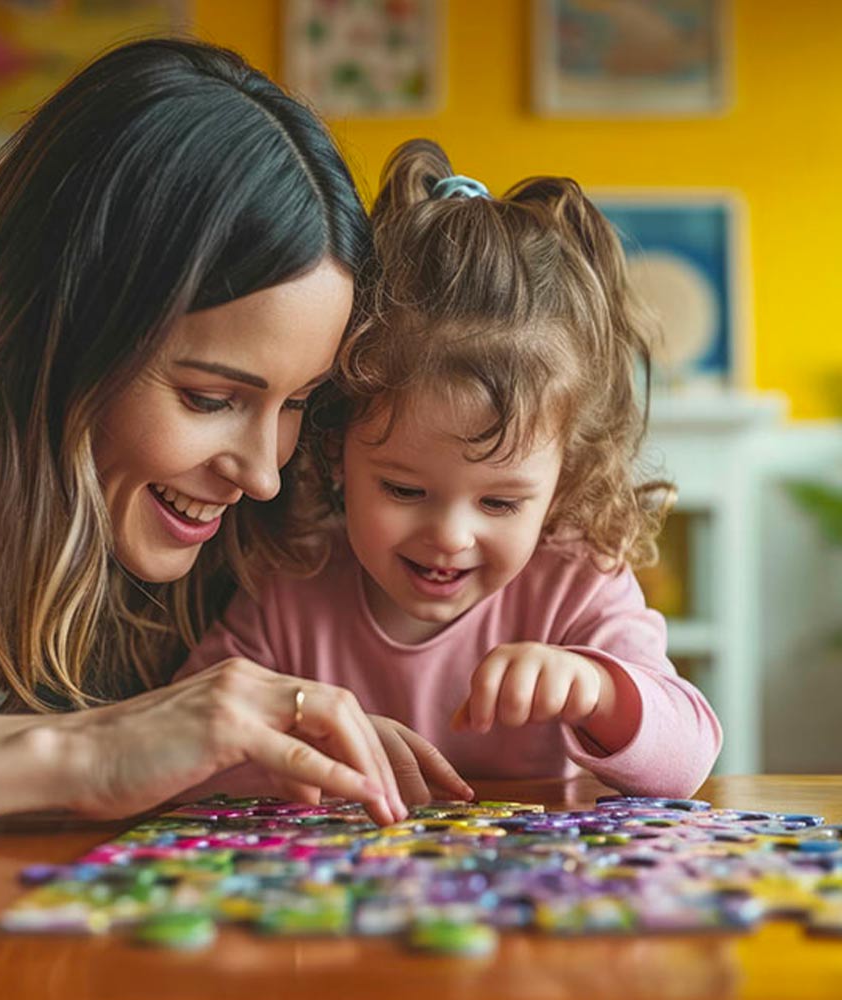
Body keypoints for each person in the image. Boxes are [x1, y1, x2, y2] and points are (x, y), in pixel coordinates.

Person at [0, 43, 471, 839]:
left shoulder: (256, 549)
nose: (260, 474)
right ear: (55, 334)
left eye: (297, 403)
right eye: (210, 398)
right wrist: (84, 753)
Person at [181, 139, 723, 800]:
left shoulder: (577, 585)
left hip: (537, 898)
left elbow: (688, 759)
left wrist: (599, 689)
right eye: (405, 489)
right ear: (335, 451)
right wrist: (300, 748)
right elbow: (189, 755)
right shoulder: (289, 588)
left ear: (564, 481)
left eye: (500, 503)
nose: (450, 535)